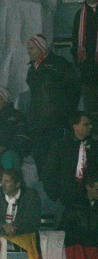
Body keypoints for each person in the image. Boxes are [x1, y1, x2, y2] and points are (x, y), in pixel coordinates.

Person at [25, 33, 80, 174]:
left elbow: (74, 90)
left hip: (56, 124)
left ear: (41, 48)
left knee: (56, 163)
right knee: (41, 164)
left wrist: (67, 116)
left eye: (31, 48)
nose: (28, 52)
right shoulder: (32, 68)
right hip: (37, 125)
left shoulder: (60, 64)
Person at [43, 112, 98, 206]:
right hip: (66, 199)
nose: (90, 127)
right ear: (75, 126)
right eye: (86, 124)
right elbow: (49, 172)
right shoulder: (60, 146)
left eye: (90, 124)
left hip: (91, 199)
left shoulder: (95, 147)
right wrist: (56, 196)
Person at [0, 168, 41, 236]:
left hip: (23, 236)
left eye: (7, 181)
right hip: (0, 236)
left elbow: (33, 221)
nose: (2, 185)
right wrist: (3, 226)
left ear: (17, 184)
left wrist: (15, 227)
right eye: (2, 180)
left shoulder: (31, 196)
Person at [72, 0, 98, 120]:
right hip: (88, 72)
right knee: (92, 112)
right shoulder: (80, 15)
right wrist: (80, 64)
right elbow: (75, 43)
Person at [58, 172, 98, 245]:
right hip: (78, 247)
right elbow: (63, 231)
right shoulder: (75, 206)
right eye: (97, 189)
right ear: (88, 187)